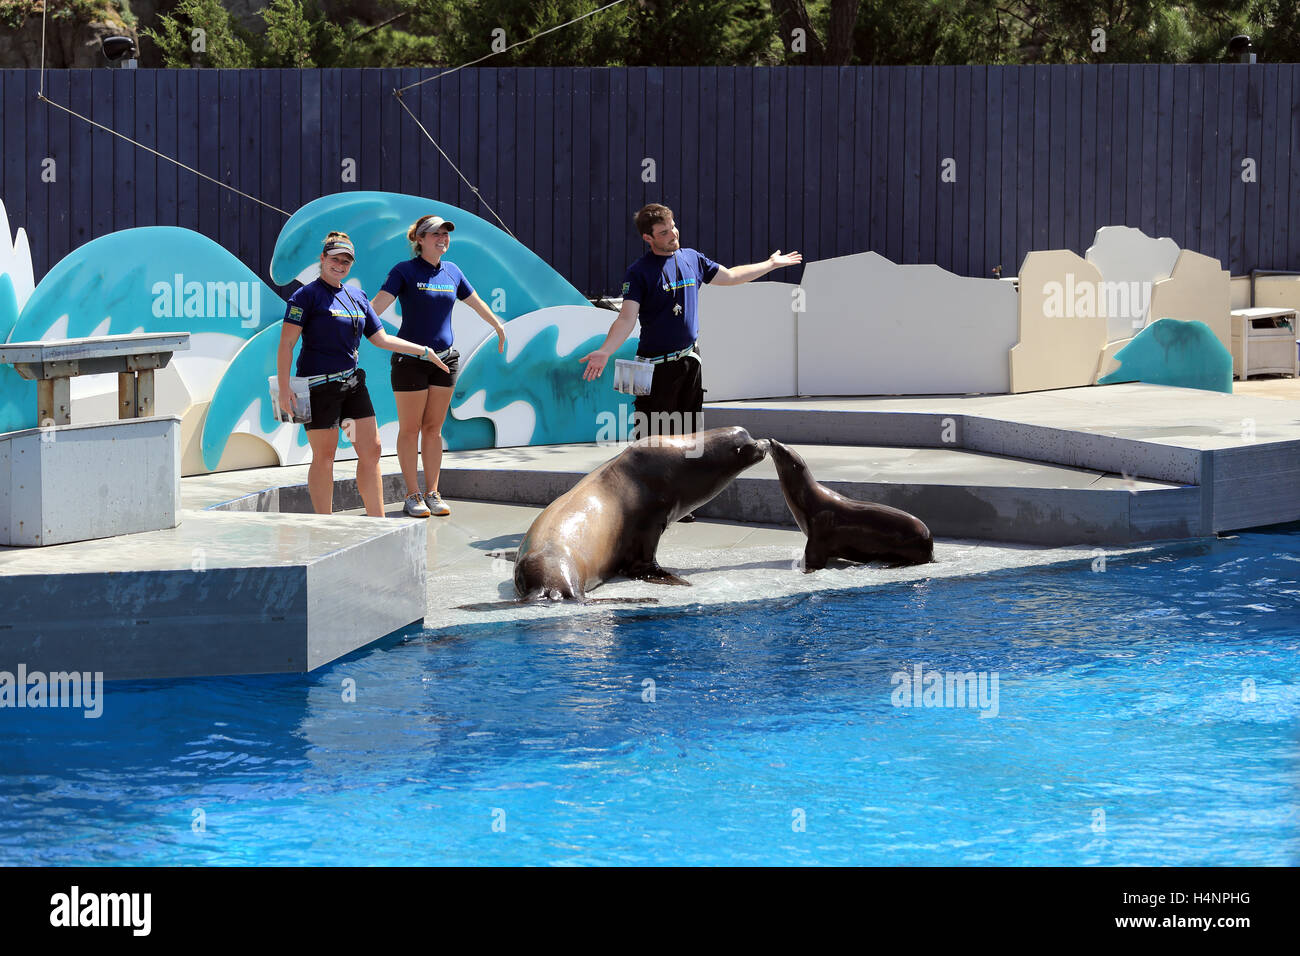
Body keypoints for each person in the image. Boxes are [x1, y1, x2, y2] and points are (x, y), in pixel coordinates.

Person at [579, 203, 802, 441]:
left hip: (689, 362)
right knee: (652, 442)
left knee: (691, 440)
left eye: (673, 227)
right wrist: (605, 350)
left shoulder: (692, 258)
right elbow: (626, 319)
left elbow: (732, 276)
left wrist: (770, 264)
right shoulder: (638, 272)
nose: (672, 234)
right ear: (648, 238)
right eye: (663, 232)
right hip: (654, 368)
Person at [276, 230, 449, 518]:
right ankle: (324, 525)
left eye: (346, 261)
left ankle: (376, 523)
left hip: (352, 388)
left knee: (371, 451)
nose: (340, 265)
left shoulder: (357, 296)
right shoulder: (305, 296)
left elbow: (380, 339)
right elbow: (287, 344)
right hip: (320, 391)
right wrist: (284, 388)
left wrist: (423, 350)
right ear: (323, 258)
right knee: (325, 457)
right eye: (335, 258)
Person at [370, 214, 507, 518]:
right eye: (435, 234)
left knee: (433, 429)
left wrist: (497, 326)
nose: (442, 238)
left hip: (446, 360)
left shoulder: (453, 272)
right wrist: (351, 328)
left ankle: (432, 491)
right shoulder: (404, 271)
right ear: (418, 239)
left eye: (446, 233)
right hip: (411, 360)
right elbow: (375, 308)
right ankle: (411, 494)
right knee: (410, 429)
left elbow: (477, 302)